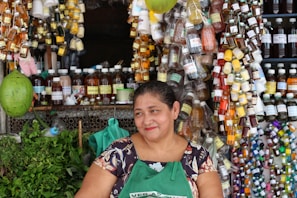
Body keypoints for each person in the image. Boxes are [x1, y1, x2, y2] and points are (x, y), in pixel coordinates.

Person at [75, 80, 223, 198]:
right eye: (139, 113)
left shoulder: (198, 157)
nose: (146, 121)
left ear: (175, 110)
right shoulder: (118, 154)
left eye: (154, 111)